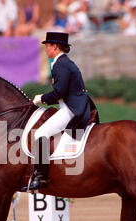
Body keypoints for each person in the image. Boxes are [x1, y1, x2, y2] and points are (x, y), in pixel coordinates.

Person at [28, 32, 97, 191]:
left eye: (47, 46)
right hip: (73, 105)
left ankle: (40, 177)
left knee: (40, 134)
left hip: (72, 109)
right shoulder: (63, 63)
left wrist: (41, 98)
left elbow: (59, 93)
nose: (46, 49)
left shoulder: (61, 64)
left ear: (55, 47)